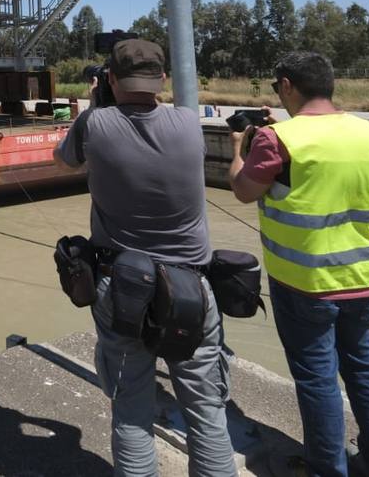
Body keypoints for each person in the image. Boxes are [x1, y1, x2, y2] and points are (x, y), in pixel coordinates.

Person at [55, 39, 235, 477]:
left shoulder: (94, 124)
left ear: (111, 79)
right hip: (192, 288)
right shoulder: (189, 123)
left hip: (121, 286)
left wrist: (98, 104)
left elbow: (63, 161)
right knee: (206, 410)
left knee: (132, 408)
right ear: (162, 79)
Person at [229, 51, 369, 477]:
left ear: (287, 85)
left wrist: (239, 148)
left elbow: (244, 190)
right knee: (365, 371)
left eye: (276, 87)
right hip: (363, 279)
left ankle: (328, 469)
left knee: (318, 379)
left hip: (303, 283)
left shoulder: (278, 140)